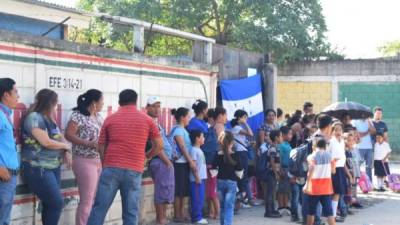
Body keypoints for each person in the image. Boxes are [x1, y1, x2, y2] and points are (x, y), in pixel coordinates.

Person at [87, 89, 162, 225]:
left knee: (99, 209)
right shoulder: (147, 120)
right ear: (136, 101)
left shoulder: (110, 119)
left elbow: (101, 146)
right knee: (131, 212)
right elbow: (159, 145)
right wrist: (146, 157)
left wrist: (105, 163)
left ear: (120, 102)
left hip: (111, 168)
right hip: (134, 170)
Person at [21, 89, 72, 225]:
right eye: (55, 104)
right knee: (56, 203)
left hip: (53, 167)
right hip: (38, 168)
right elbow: (46, 142)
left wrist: (66, 150)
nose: (56, 107)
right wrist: (66, 147)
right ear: (50, 103)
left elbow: (61, 139)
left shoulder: (50, 120)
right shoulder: (34, 118)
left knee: (50, 204)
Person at [65, 89, 104, 225]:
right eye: (101, 101)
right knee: (87, 200)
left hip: (98, 160)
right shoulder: (77, 115)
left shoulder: (98, 117)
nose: (103, 103)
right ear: (94, 102)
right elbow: (68, 135)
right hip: (84, 160)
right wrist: (88, 143)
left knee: (95, 199)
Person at [146, 97, 175, 225]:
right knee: (161, 190)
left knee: (165, 190)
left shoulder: (155, 122)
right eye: (154, 106)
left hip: (165, 160)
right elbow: (155, 145)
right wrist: (167, 161)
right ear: (148, 107)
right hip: (160, 160)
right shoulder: (149, 122)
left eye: (159, 106)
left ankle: (162, 218)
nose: (158, 109)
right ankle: (161, 219)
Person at [212, 131, 243, 225]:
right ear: (232, 142)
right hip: (232, 183)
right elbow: (240, 172)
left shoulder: (217, 154)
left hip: (220, 182)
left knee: (222, 207)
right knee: (229, 207)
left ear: (220, 142)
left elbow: (213, 171)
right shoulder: (236, 155)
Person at [303, 139, 336, 225]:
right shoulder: (330, 156)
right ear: (325, 146)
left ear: (314, 146)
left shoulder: (311, 156)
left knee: (311, 212)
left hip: (314, 188)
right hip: (326, 188)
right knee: (329, 212)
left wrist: (307, 184)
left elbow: (311, 168)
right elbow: (333, 171)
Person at [0, 78, 19, 225]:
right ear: (6, 94)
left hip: (9, 175)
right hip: (3, 174)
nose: (18, 96)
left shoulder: (5, 114)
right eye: (15, 92)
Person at [170, 107, 194, 223]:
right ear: (182, 117)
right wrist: (190, 161)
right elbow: (182, 147)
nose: (189, 119)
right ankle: (177, 214)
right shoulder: (178, 130)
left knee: (184, 190)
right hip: (179, 164)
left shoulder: (183, 129)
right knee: (178, 190)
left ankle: (182, 212)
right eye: (188, 116)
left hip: (184, 163)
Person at [230, 109, 254, 208]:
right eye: (244, 117)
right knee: (242, 176)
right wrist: (245, 124)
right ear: (240, 118)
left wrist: (249, 144)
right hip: (240, 154)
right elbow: (250, 133)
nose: (246, 119)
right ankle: (241, 200)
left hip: (242, 152)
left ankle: (243, 200)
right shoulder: (236, 128)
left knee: (243, 176)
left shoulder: (237, 128)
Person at [329, 122, 350, 223]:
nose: (338, 132)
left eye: (340, 130)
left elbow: (343, 156)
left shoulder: (342, 141)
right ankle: (331, 215)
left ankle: (333, 214)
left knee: (338, 193)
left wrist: (348, 173)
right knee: (334, 192)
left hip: (341, 168)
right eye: (336, 130)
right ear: (332, 131)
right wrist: (332, 165)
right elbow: (329, 156)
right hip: (334, 169)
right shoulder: (331, 141)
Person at [189, 130, 208, 224]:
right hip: (196, 179)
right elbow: (193, 165)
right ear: (197, 138)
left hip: (201, 178)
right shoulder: (193, 150)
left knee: (200, 198)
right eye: (202, 136)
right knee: (197, 199)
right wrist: (196, 177)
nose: (204, 138)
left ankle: (198, 216)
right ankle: (196, 218)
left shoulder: (199, 149)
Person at [264, 130, 282, 218]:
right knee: (270, 192)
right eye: (280, 136)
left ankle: (272, 209)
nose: (281, 138)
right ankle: (268, 212)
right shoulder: (272, 148)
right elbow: (272, 161)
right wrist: (276, 173)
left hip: (274, 172)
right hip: (271, 172)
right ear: (276, 138)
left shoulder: (276, 147)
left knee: (273, 191)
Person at [352, 113, 376, 180]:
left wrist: (369, 121)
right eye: (363, 114)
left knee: (368, 167)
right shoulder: (355, 121)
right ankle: (357, 182)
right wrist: (368, 132)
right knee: (357, 166)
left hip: (369, 147)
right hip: (359, 147)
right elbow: (358, 135)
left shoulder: (369, 121)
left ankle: (369, 183)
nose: (364, 115)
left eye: (366, 114)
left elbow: (374, 131)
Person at [277, 126, 292, 215]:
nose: (291, 136)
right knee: (281, 189)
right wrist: (280, 169)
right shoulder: (281, 146)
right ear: (283, 135)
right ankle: (280, 206)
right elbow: (279, 158)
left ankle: (286, 205)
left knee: (286, 188)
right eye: (289, 134)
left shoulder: (288, 144)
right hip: (283, 168)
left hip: (288, 168)